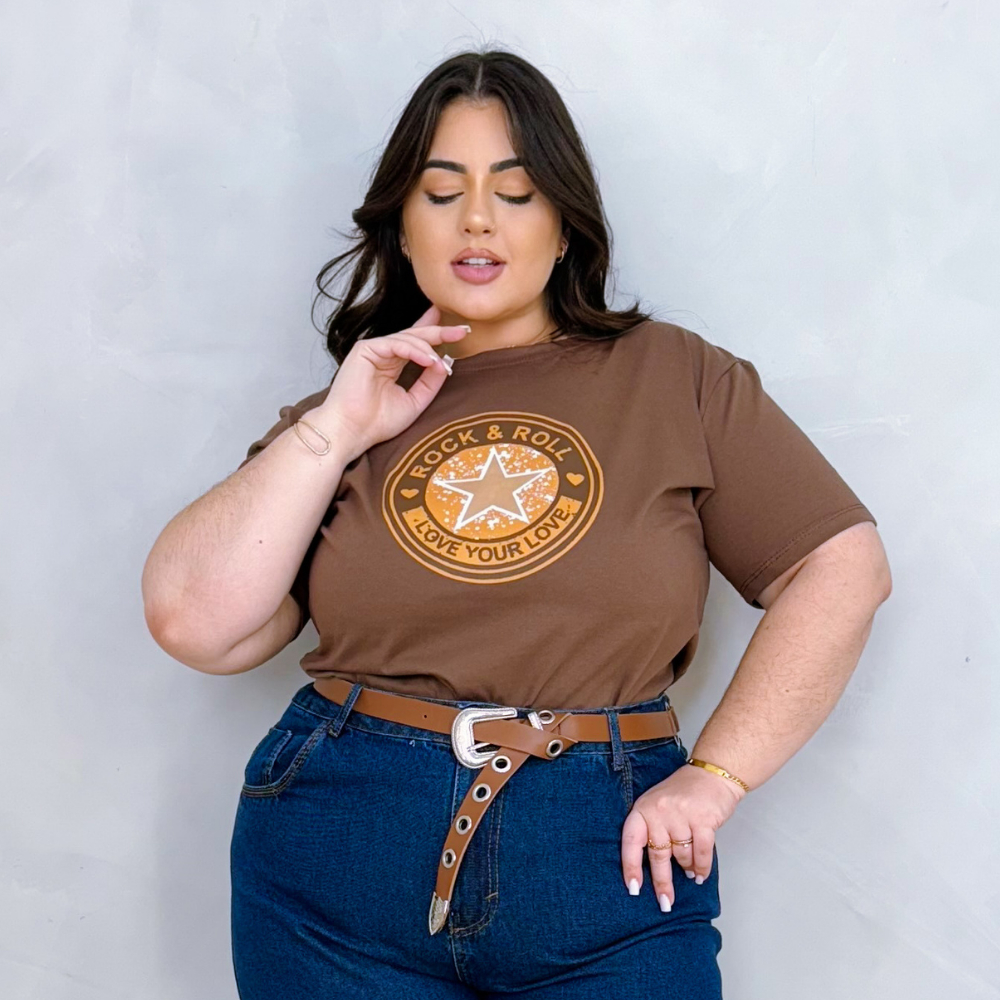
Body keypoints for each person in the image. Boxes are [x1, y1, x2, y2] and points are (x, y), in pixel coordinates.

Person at [142, 48, 892, 999]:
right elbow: (195, 624)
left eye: (517, 191)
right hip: (337, 862)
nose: (478, 220)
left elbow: (841, 567)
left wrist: (719, 774)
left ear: (566, 224)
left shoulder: (677, 378)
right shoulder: (349, 413)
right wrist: (335, 429)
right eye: (440, 192)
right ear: (402, 226)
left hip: (606, 857)